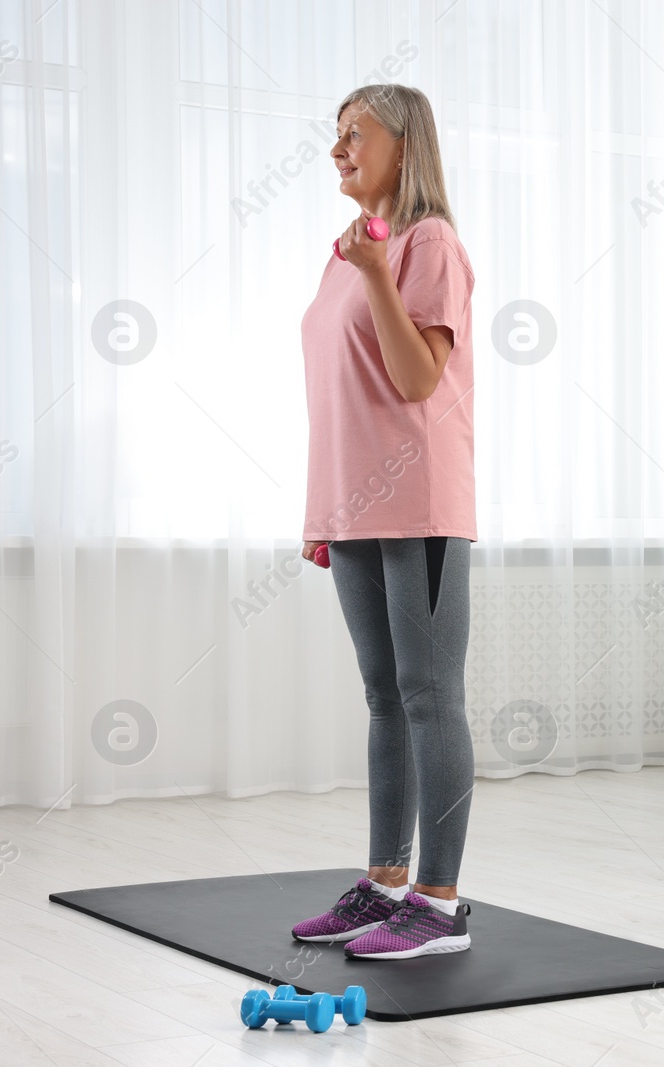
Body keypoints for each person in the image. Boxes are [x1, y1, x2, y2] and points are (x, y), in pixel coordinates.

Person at [291, 83, 478, 961]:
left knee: (430, 696)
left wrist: (375, 270)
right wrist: (321, 506)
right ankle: (384, 883)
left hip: (422, 502)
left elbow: (414, 381)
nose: (338, 150)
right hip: (355, 506)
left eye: (353, 134)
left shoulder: (427, 241)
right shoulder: (343, 255)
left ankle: (437, 906)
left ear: (404, 145)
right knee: (382, 698)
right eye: (334, 137)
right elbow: (335, 399)